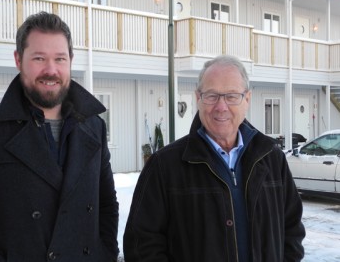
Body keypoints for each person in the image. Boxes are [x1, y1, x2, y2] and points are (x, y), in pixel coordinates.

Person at [0, 12, 119, 261]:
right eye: (39, 58)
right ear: (18, 59)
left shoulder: (94, 127)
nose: (51, 70)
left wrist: (106, 254)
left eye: (60, 59)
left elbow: (106, 204)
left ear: (70, 61)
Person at [123, 55, 305, 261]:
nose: (221, 106)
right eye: (211, 96)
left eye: (232, 96)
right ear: (198, 98)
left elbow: (292, 230)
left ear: (247, 99)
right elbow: (141, 245)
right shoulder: (164, 166)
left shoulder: (272, 159)